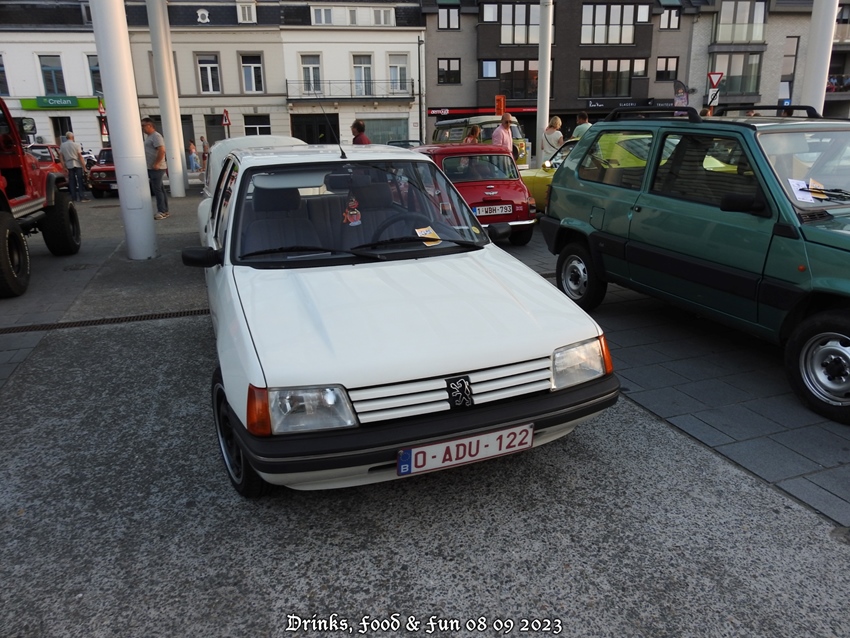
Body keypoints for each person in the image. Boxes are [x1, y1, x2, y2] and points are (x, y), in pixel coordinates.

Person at [142, 117, 169, 220]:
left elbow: (161, 150)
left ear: (150, 125)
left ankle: (161, 211)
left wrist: (156, 163)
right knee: (160, 189)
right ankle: (164, 210)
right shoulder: (149, 137)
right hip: (152, 166)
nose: (142, 128)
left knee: (157, 189)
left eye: (143, 125)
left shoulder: (156, 136)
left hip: (157, 167)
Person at [59, 132, 89, 203]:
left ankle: (73, 197)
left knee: (72, 181)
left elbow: (61, 157)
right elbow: (80, 156)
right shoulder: (76, 145)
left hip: (68, 164)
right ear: (72, 137)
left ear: (66, 137)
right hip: (77, 163)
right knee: (80, 180)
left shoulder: (62, 145)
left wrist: (64, 166)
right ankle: (81, 197)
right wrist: (84, 167)